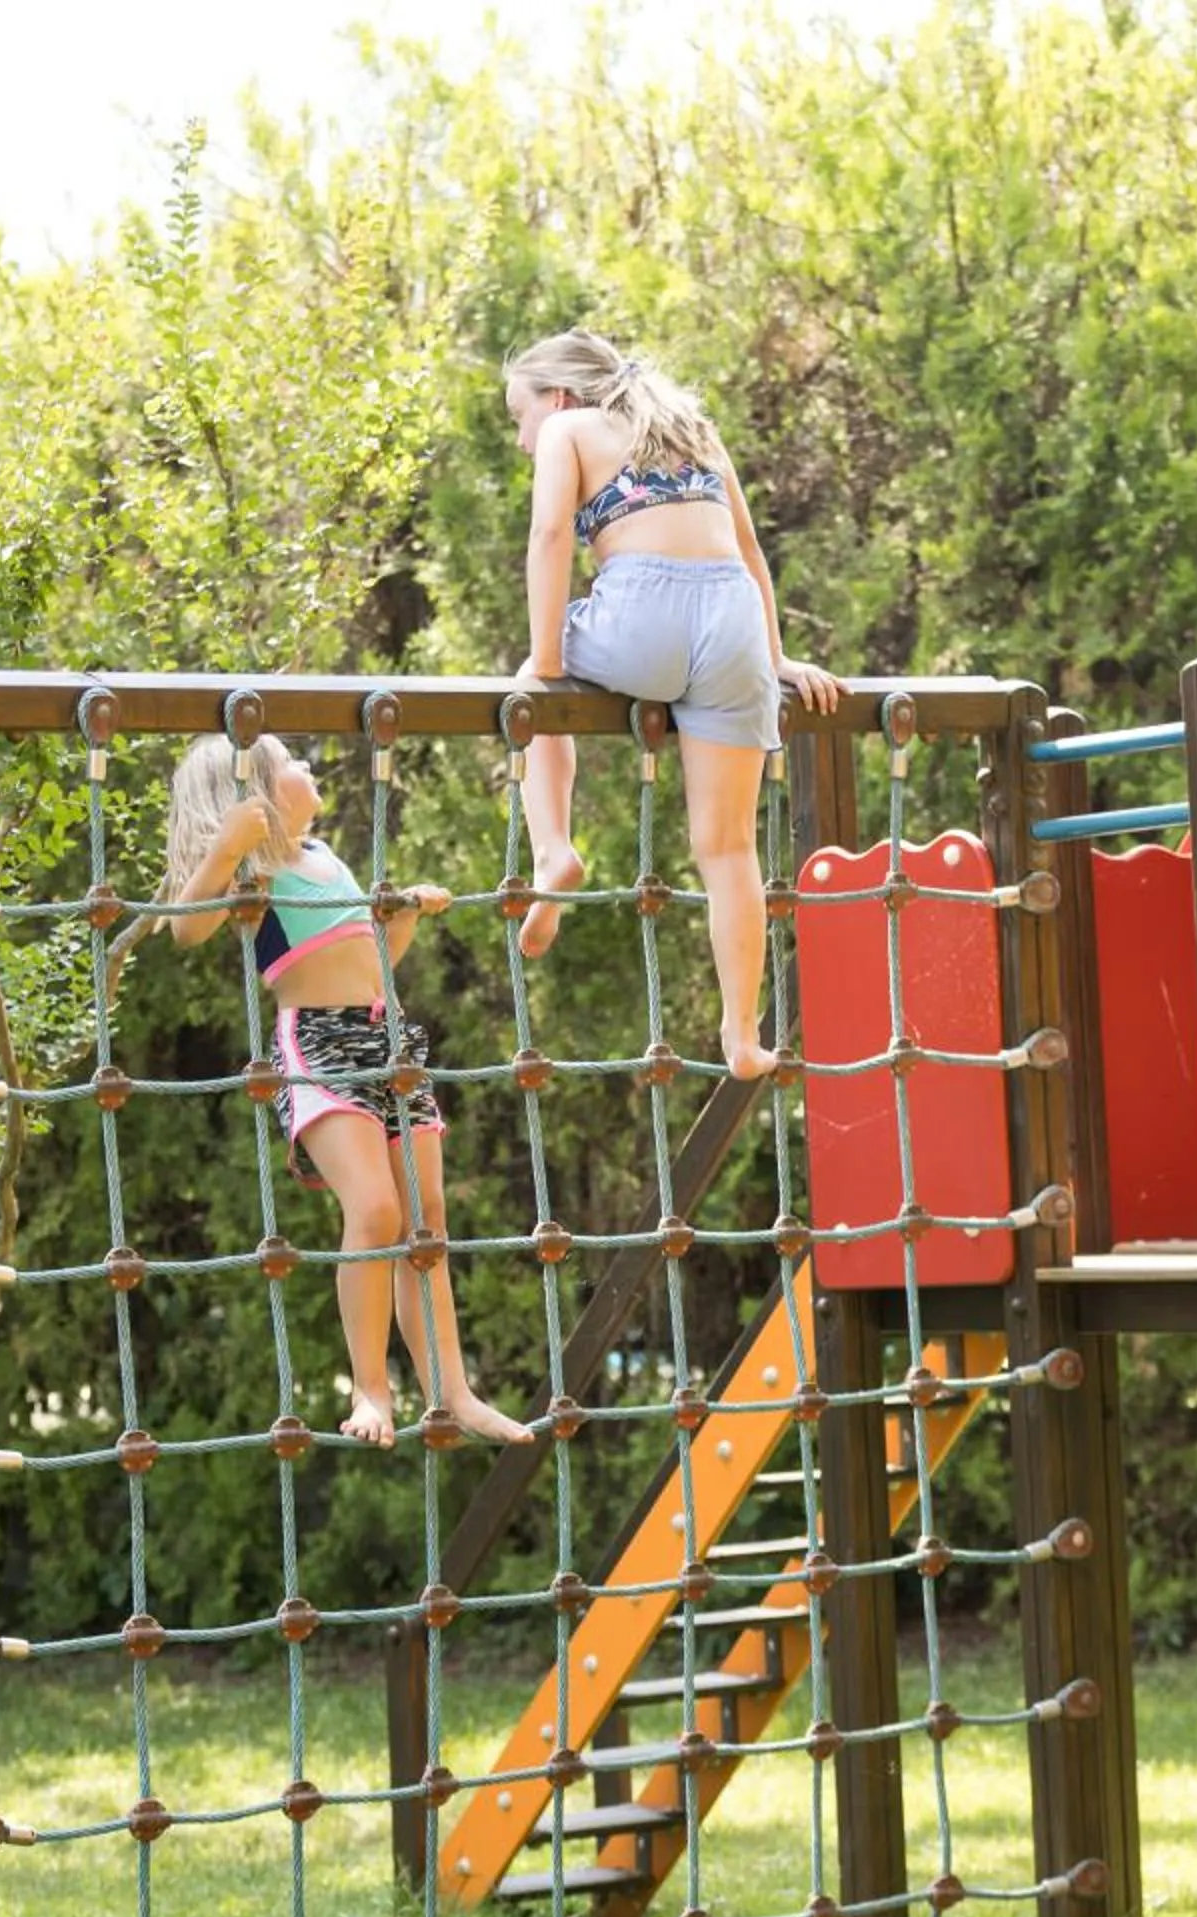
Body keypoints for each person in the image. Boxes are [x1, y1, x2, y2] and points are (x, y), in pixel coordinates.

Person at [158, 732, 533, 1448]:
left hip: (385, 1037)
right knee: (375, 1210)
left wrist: (403, 920)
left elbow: (372, 966)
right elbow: (186, 930)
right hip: (319, 1044)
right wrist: (227, 848)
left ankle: (452, 1391)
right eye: (290, 763)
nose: (306, 766)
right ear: (255, 797)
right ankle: (370, 1388)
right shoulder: (254, 873)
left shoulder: (327, 858)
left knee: (425, 1221)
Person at [501, 328, 843, 1081]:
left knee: (531, 683)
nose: (523, 438)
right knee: (729, 848)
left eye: (519, 415)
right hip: (734, 626)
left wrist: (549, 661)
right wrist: (776, 659)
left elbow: (550, 534)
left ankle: (554, 850)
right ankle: (743, 1036)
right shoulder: (691, 426)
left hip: (640, 615)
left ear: (559, 397)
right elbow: (748, 551)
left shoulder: (567, 429)